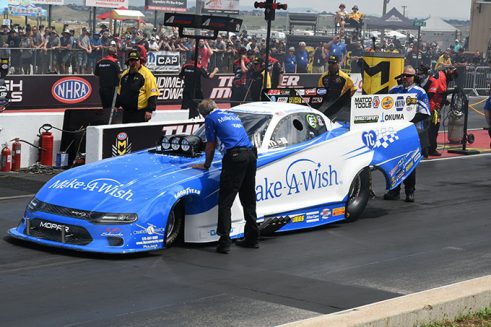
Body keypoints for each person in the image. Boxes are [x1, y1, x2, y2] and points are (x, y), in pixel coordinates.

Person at [192, 99, 259, 254]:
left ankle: (224, 242)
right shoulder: (231, 115)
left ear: (203, 114)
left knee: (225, 201)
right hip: (250, 155)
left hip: (235, 157)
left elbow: (210, 144)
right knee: (248, 198)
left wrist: (206, 164)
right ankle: (253, 238)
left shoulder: (210, 119)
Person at [383, 65, 431, 202]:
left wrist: (407, 123)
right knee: (393, 163)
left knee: (409, 162)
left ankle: (410, 191)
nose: (405, 77)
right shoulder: (394, 90)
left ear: (414, 78)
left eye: (408, 75)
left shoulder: (419, 92)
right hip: (394, 134)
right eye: (403, 75)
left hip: (412, 133)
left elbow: (425, 113)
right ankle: (394, 190)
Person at [116, 50, 160, 123]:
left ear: (140, 61)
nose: (133, 63)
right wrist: (116, 106)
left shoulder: (147, 74)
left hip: (140, 112)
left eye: (136, 60)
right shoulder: (124, 74)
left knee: (138, 133)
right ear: (128, 62)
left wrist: (149, 110)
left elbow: (153, 94)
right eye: (131, 60)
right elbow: (120, 91)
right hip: (126, 112)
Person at [94, 46, 121, 123]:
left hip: (102, 88)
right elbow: (119, 76)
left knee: (105, 107)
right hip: (113, 89)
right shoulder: (115, 61)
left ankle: (105, 123)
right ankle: (112, 124)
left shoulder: (99, 62)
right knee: (113, 108)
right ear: (114, 53)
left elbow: (96, 76)